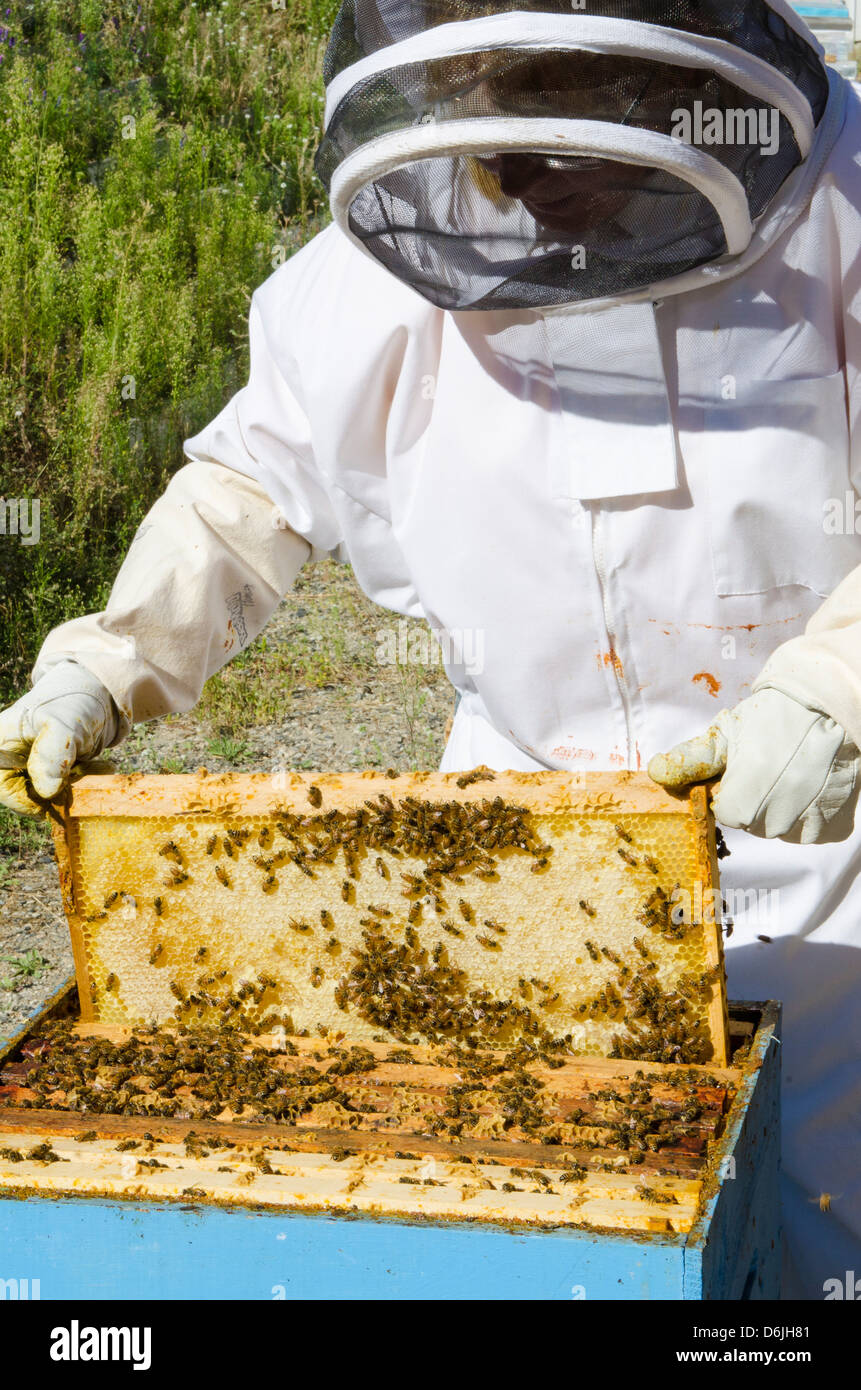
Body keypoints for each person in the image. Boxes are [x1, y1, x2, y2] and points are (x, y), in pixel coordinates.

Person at [2, 0, 859, 1298]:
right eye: (496, 123)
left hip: (827, 887)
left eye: (562, 111)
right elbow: (251, 489)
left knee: (811, 1246)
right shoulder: (378, 266)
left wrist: (837, 689)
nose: (535, 180)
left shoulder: (839, 200)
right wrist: (106, 660)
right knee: (539, 1249)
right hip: (512, 872)